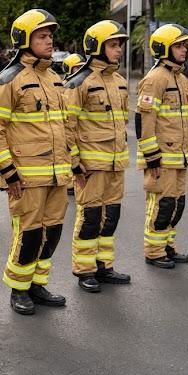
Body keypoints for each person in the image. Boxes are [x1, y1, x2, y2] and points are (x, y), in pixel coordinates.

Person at [0, 9, 76, 315]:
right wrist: (8, 173)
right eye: (42, 36)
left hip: (57, 174)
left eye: (50, 36)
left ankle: (38, 284)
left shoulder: (55, 78)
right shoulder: (8, 79)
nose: (49, 41)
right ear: (25, 40)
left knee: (52, 232)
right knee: (29, 233)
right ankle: (18, 288)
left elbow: (63, 126)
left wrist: (72, 163)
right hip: (26, 176)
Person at [65, 20, 131, 293]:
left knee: (111, 216)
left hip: (115, 162)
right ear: (97, 47)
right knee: (90, 217)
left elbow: (122, 123)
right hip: (91, 166)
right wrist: (75, 164)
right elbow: (67, 126)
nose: (118, 50)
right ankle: (85, 270)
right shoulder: (79, 82)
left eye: (119, 46)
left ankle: (104, 265)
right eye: (113, 45)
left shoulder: (120, 82)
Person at [135, 24, 188, 269]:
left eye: (183, 46)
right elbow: (145, 121)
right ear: (164, 49)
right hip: (162, 157)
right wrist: (151, 157)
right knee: (162, 205)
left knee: (176, 204)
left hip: (179, 155)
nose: (183, 50)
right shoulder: (155, 79)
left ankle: (168, 246)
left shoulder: (180, 78)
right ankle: (154, 251)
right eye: (178, 45)